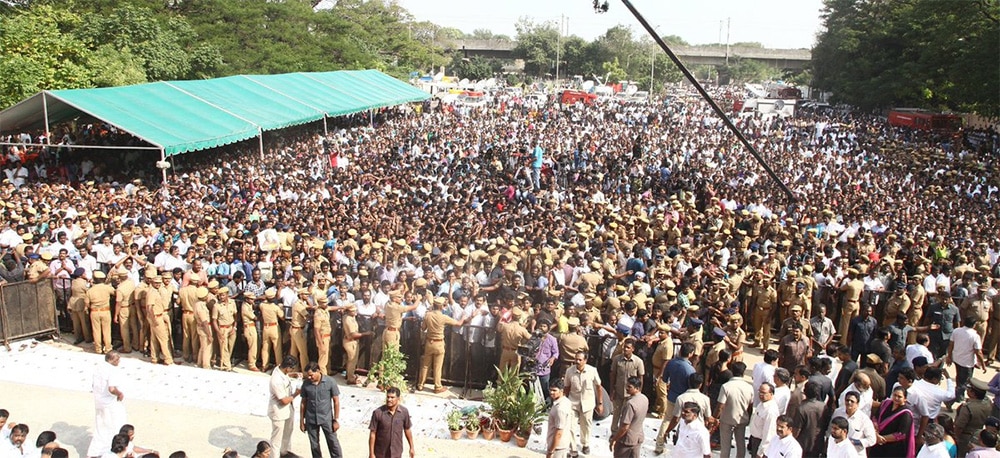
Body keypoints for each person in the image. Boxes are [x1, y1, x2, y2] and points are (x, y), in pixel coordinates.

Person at [415, 296, 469, 393]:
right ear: (441, 306)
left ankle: (420, 384)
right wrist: (463, 317)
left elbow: (423, 328)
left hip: (429, 342)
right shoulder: (444, 317)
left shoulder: (427, 315)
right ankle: (437, 386)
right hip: (439, 343)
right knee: (437, 366)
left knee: (425, 365)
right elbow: (458, 324)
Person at [87, 351, 127, 458]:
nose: (119, 361)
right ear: (112, 360)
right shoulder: (112, 370)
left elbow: (93, 384)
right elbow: (111, 388)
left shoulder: (99, 368)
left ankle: (94, 452)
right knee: (115, 427)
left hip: (99, 402)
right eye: (117, 359)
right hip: (110, 403)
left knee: (100, 427)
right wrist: (119, 394)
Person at [563, 351, 602, 456]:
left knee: (586, 426)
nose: (577, 361)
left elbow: (598, 387)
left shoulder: (592, 371)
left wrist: (600, 403)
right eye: (576, 359)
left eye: (580, 360)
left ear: (585, 360)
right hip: (573, 403)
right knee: (571, 426)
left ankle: (585, 444)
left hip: (587, 403)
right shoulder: (569, 371)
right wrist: (563, 402)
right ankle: (573, 447)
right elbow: (566, 388)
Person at [299, 362, 341, 458]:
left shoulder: (330, 382)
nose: (309, 378)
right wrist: (302, 421)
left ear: (318, 371)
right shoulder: (306, 384)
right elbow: (303, 403)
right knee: (314, 445)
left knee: (333, 443)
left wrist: (336, 420)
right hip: (311, 419)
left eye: (311, 375)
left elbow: (336, 402)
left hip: (327, 419)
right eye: (308, 376)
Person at [716, 361, 754, 458]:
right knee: (741, 444)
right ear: (744, 372)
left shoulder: (726, 386)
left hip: (726, 420)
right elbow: (750, 405)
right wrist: (748, 418)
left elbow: (720, 405)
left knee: (725, 446)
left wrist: (715, 417)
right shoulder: (749, 387)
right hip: (742, 419)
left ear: (732, 371)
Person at [949, 315, 987, 406]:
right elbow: (978, 352)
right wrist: (983, 364)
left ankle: (959, 397)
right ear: (974, 325)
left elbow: (951, 344)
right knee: (966, 383)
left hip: (957, 358)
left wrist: (949, 356)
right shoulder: (975, 336)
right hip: (967, 362)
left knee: (959, 378)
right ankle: (951, 400)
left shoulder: (956, 331)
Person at [269, 356, 301, 458]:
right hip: (278, 410)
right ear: (287, 368)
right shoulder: (276, 380)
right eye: (292, 369)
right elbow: (283, 400)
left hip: (288, 409)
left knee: (288, 433)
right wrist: (296, 393)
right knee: (277, 438)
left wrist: (292, 374)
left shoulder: (280, 370)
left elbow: (285, 374)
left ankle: (285, 453)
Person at [368, 386, 414, 458]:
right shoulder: (378, 413)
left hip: (396, 452)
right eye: (388, 397)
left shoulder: (404, 412)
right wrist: (371, 453)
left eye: (392, 397)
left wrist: (411, 447)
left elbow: (407, 429)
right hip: (380, 453)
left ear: (398, 399)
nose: (389, 399)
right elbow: (373, 433)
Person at [870, 386, 916, 458]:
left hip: (893, 449)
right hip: (878, 445)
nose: (896, 398)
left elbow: (901, 434)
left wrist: (881, 438)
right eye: (894, 395)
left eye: (899, 396)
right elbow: (875, 417)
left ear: (905, 399)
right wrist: (875, 432)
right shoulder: (885, 404)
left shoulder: (906, 414)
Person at [830, 391, 877, 458]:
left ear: (857, 404)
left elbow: (872, 440)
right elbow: (830, 430)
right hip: (838, 452)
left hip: (856, 454)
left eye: (852, 401)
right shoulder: (838, 412)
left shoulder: (864, 419)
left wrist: (855, 442)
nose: (849, 403)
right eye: (847, 400)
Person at [609, 339, 643, 430]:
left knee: (627, 416)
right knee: (616, 414)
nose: (625, 349)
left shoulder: (638, 361)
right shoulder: (617, 359)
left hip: (631, 395)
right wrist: (612, 390)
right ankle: (614, 432)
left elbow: (640, 378)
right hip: (619, 392)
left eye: (628, 347)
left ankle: (624, 432)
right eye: (624, 347)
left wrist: (638, 393)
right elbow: (613, 375)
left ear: (633, 349)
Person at [609, 377, 646, 458]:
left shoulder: (630, 404)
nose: (626, 388)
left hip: (626, 440)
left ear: (637, 388)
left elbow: (625, 427)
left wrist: (614, 439)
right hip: (638, 437)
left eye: (629, 387)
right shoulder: (644, 399)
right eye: (627, 386)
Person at [956, 379, 993, 457]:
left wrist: (956, 438)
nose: (967, 390)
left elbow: (959, 426)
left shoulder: (967, 407)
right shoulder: (987, 402)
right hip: (979, 434)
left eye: (969, 388)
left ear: (973, 393)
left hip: (965, 437)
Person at [749, 382, 779, 458]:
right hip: (755, 440)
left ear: (771, 394)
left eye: (764, 393)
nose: (761, 394)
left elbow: (768, 434)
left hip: (760, 443)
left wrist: (760, 452)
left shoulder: (770, 411)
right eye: (760, 392)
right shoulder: (762, 404)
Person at [545, 378, 571, 458]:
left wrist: (551, 451)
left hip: (558, 447)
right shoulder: (566, 401)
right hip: (561, 444)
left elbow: (559, 432)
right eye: (550, 390)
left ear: (561, 391)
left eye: (554, 390)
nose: (551, 392)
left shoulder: (560, 409)